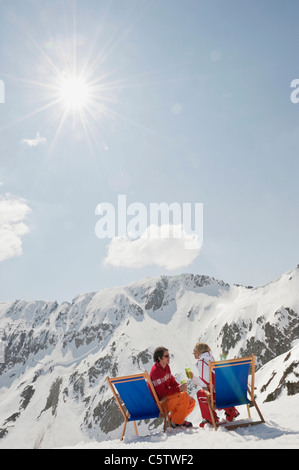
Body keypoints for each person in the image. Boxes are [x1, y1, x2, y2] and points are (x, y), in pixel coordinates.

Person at [191, 342, 239, 428]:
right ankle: (231, 410)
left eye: (194, 350)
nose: (193, 353)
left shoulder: (202, 361)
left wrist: (193, 378)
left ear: (199, 351)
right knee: (216, 389)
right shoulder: (211, 358)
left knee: (201, 394)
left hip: (220, 396)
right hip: (234, 393)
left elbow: (204, 382)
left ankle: (210, 419)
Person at [150, 346, 195, 428]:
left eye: (169, 356)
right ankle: (176, 423)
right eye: (166, 356)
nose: (169, 358)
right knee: (184, 396)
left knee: (191, 401)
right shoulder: (156, 371)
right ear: (159, 358)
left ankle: (174, 420)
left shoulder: (166, 367)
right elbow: (162, 392)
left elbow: (172, 381)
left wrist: (179, 387)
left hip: (167, 398)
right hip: (160, 403)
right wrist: (178, 389)